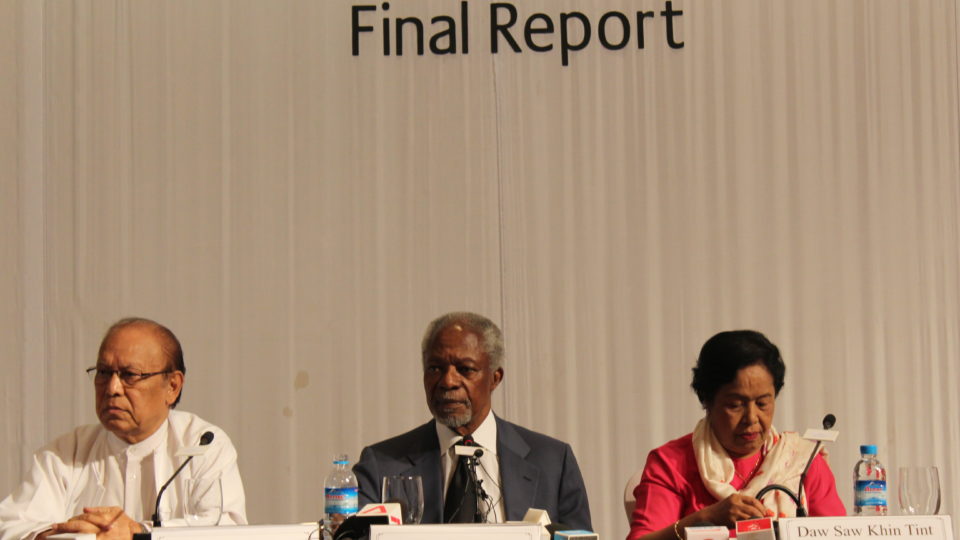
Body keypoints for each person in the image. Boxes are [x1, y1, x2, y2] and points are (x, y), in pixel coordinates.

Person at [0, 318, 247, 540]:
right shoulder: (67, 452)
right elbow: (10, 527)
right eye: (104, 372)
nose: (112, 388)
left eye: (130, 375)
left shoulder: (203, 445)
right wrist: (69, 535)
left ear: (172, 386)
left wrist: (138, 533)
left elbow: (227, 532)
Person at [353, 312, 592, 529]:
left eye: (465, 369)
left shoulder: (553, 462)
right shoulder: (381, 465)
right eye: (435, 368)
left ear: (495, 378)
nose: (448, 382)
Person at [627, 330, 845, 540]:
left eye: (762, 403)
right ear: (707, 400)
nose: (751, 418)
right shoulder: (672, 464)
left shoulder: (801, 461)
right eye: (735, 405)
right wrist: (705, 518)